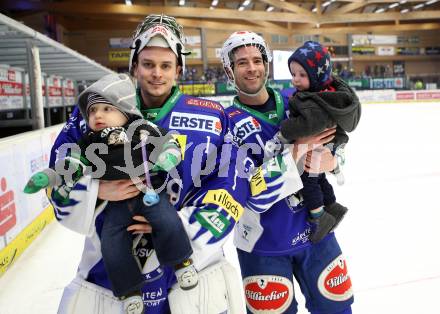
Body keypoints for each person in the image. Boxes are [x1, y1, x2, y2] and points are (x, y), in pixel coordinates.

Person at [47, 15, 251, 314]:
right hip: (107, 274)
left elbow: (235, 177)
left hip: (193, 272)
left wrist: (184, 227)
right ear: (134, 66)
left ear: (178, 69)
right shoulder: (94, 113)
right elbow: (59, 171)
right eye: (148, 64)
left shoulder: (214, 115)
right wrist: (95, 190)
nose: (157, 74)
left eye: (166, 66)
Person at [24, 73, 199, 310]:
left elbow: (168, 142)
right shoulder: (87, 142)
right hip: (115, 206)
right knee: (111, 244)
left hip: (149, 193)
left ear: (124, 110)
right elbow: (72, 166)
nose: (98, 115)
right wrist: (50, 176)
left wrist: (168, 156)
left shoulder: (142, 129)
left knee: (168, 221)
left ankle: (182, 262)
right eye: (93, 111)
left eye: (107, 108)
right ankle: (129, 291)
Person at [220, 31, 354, 314]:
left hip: (317, 234)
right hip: (262, 245)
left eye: (257, 59)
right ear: (228, 69)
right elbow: (246, 192)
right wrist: (296, 152)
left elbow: (336, 146)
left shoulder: (300, 100)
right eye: (242, 62)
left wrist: (332, 161)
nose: (252, 67)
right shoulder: (224, 124)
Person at [278, 41, 361, 243]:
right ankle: (332, 205)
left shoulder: (314, 103)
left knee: (308, 180)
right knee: (318, 179)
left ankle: (319, 216)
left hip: (319, 147)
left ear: (316, 76)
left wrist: (285, 129)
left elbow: (308, 126)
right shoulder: (326, 93)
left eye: (302, 75)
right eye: (293, 73)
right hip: (325, 146)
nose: (295, 80)